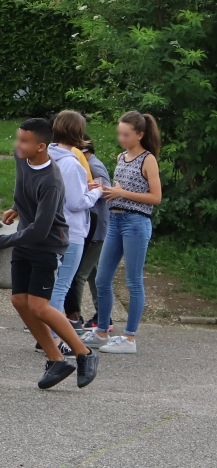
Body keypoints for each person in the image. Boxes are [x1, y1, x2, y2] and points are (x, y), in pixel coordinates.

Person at [0, 118, 98, 390]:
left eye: (24, 141)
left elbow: (41, 230)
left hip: (47, 244)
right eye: (18, 138)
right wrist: (17, 207)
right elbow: (22, 187)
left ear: (41, 146)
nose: (17, 145)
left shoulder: (52, 180)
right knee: (20, 300)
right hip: (26, 239)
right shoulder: (23, 159)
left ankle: (84, 353)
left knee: (40, 306)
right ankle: (56, 359)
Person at [83, 111, 163, 355]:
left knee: (133, 281)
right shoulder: (122, 156)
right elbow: (119, 190)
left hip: (136, 223)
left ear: (140, 135)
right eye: (119, 133)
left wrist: (121, 194)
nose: (121, 138)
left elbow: (155, 198)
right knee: (102, 279)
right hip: (116, 220)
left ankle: (129, 338)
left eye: (126, 134)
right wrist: (103, 189)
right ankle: (102, 330)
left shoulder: (148, 159)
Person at [48, 111, 102, 320]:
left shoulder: (50, 156)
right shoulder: (71, 163)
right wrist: (96, 191)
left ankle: (47, 336)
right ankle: (52, 337)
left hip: (54, 226)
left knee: (54, 284)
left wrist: (84, 188)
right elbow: (76, 202)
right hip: (72, 229)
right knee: (61, 285)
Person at [65, 139, 110, 332]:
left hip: (95, 228)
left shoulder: (93, 165)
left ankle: (75, 318)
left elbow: (106, 191)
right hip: (93, 227)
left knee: (79, 275)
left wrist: (91, 190)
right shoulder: (86, 163)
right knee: (94, 275)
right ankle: (104, 317)